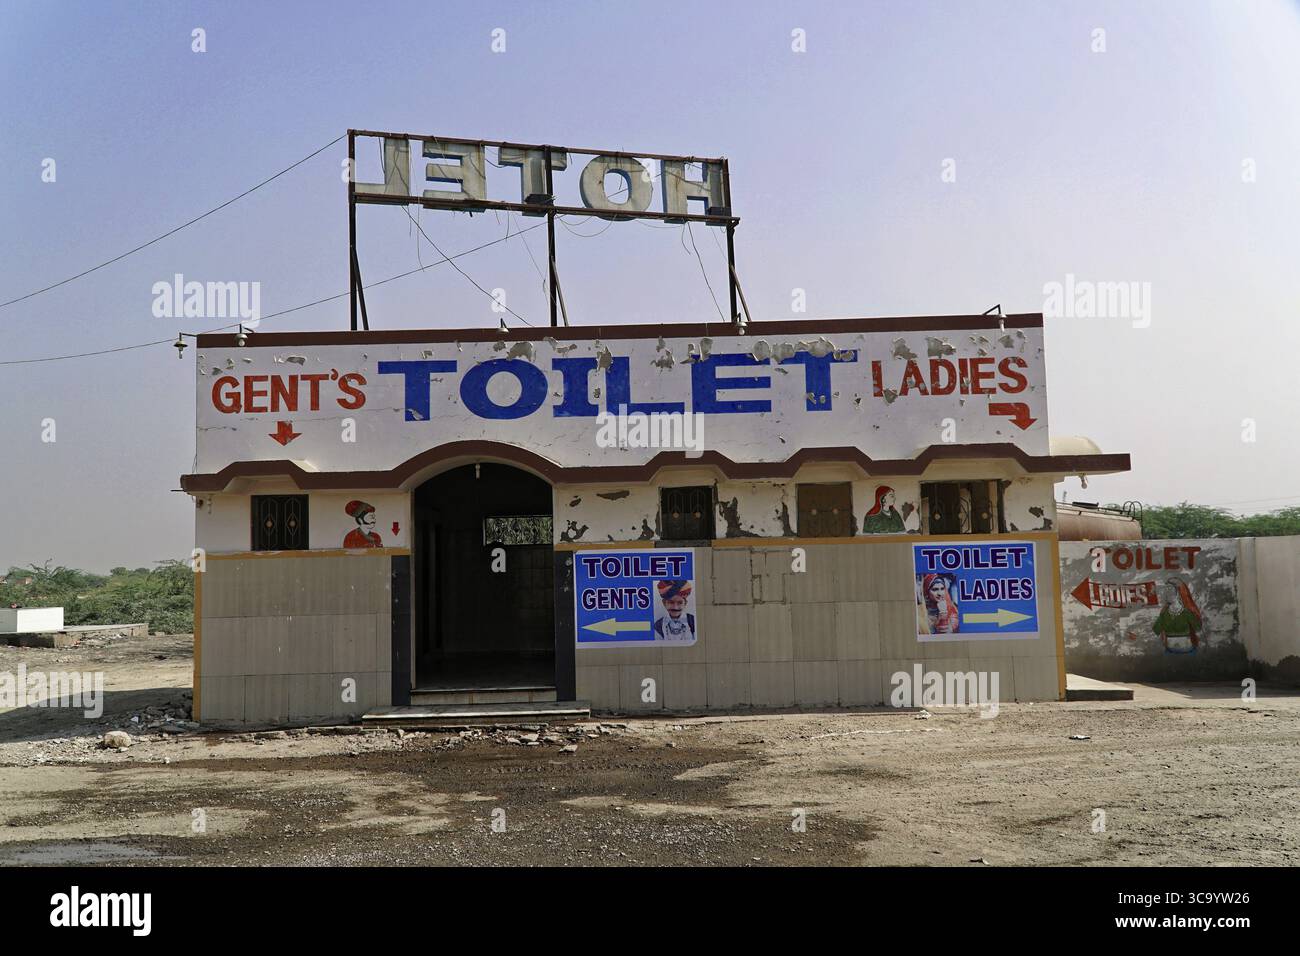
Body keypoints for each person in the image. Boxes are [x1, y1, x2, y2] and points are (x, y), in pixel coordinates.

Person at [1153, 577, 1202, 654]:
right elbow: (1156, 630)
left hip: (1188, 652)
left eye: (1170, 589)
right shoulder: (1164, 614)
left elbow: (1198, 627)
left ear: (1179, 592)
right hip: (1169, 652)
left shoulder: (1187, 612)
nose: (1167, 593)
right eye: (1166, 590)